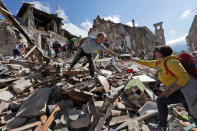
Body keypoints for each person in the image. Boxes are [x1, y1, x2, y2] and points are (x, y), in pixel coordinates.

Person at [128, 46, 197, 131]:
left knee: (161, 101)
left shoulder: (171, 62)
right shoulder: (159, 62)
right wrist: (134, 60)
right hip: (179, 89)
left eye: (156, 51)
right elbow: (147, 63)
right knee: (191, 111)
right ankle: (162, 126)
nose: (154, 52)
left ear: (161, 53)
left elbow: (185, 77)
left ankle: (162, 127)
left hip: (184, 89)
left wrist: (170, 90)